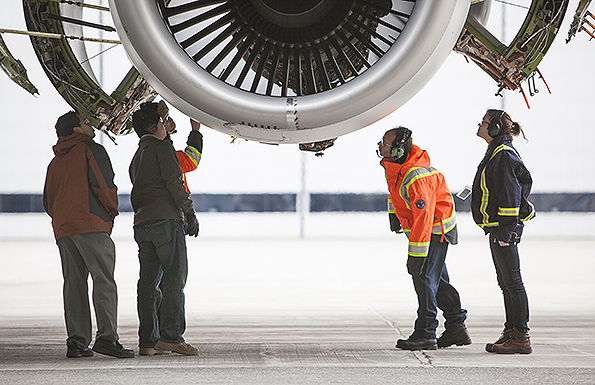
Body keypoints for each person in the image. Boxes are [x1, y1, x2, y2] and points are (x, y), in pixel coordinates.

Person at [43, 111, 134, 358]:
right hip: (91, 224)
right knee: (104, 281)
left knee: (74, 284)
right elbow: (104, 185)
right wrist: (111, 212)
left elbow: (47, 201)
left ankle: (77, 342)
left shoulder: (54, 162)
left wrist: (63, 219)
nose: (90, 125)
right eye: (85, 122)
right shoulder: (90, 149)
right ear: (75, 130)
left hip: (64, 229)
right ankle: (107, 338)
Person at [378, 126, 470, 351]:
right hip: (429, 228)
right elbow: (396, 192)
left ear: (399, 150)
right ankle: (457, 326)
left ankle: (426, 332)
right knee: (437, 281)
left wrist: (416, 256)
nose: (380, 146)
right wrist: (395, 217)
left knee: (424, 278)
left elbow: (424, 219)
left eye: (385, 143)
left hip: (434, 231)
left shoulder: (416, 176)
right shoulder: (398, 167)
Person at [129, 102, 200, 356]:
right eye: (162, 122)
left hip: (143, 224)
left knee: (148, 283)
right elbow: (174, 182)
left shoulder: (137, 156)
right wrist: (189, 212)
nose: (165, 125)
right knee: (174, 280)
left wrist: (166, 136)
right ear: (153, 126)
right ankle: (171, 337)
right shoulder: (162, 149)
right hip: (166, 222)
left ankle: (148, 341)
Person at [472, 109, 535, 354]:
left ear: (495, 127)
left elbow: (510, 196)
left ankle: (520, 335)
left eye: (483, 122)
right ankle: (511, 331)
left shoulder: (503, 156)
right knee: (506, 283)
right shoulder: (496, 152)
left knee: (513, 283)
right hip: (498, 230)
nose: (479, 125)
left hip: (503, 231)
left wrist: (506, 233)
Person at [133, 100, 203, 194]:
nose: (170, 120)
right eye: (163, 120)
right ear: (152, 127)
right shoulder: (164, 154)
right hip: (175, 205)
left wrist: (166, 133)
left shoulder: (143, 155)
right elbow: (191, 161)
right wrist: (195, 130)